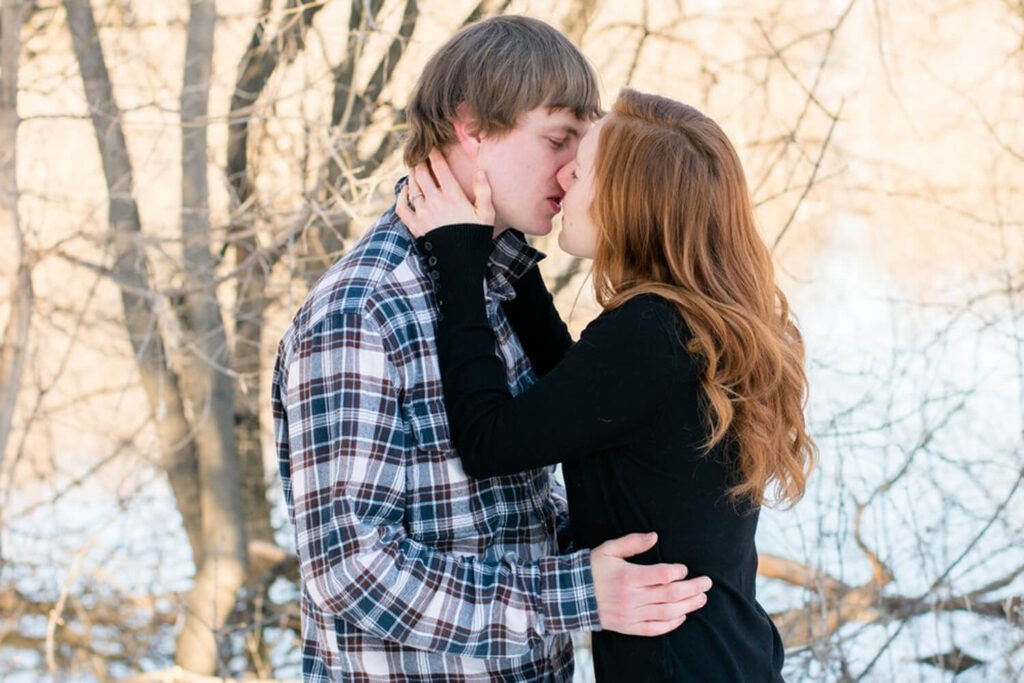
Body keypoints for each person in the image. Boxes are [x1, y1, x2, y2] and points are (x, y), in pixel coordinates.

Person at [271, 18, 711, 682]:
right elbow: (353, 570)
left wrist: (622, 552)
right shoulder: (363, 310)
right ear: (471, 126)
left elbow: (503, 510)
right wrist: (575, 593)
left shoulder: (495, 288)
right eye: (558, 139)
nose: (573, 169)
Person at [397, 88, 818, 681]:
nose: (565, 174)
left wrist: (461, 263)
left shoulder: (650, 333)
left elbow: (490, 439)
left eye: (584, 166)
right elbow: (575, 396)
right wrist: (497, 243)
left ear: (629, 202)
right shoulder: (684, 322)